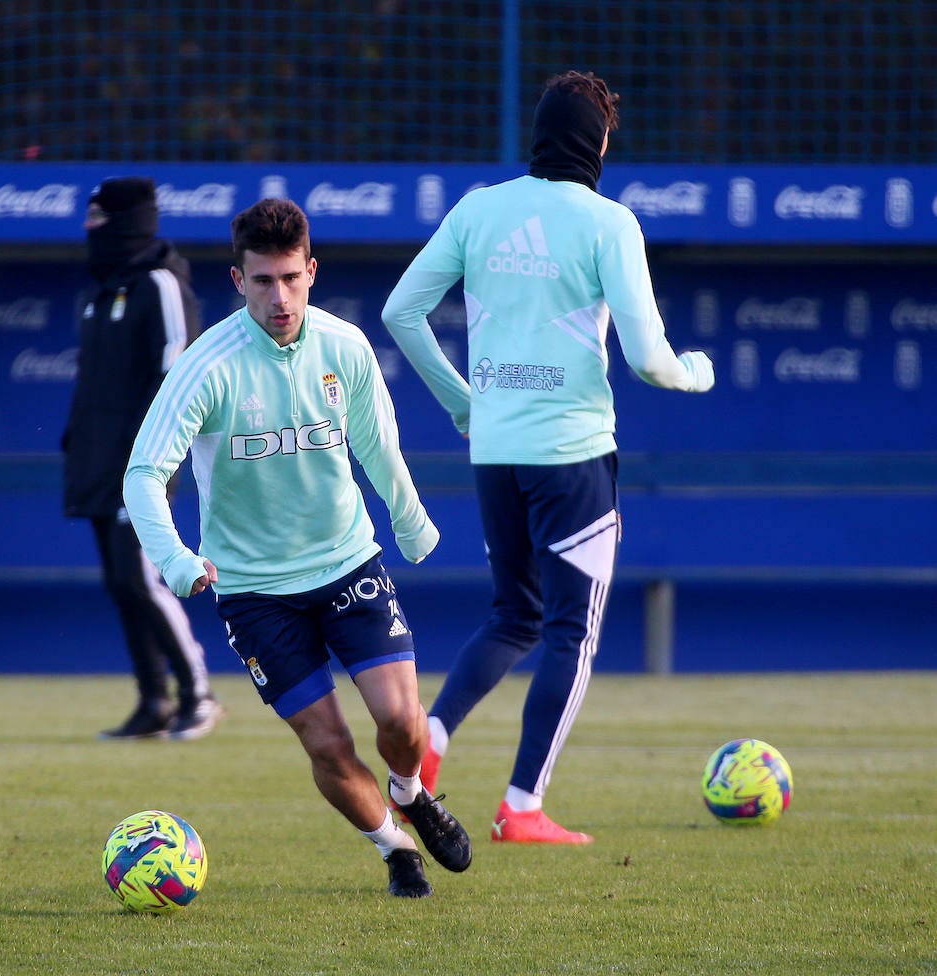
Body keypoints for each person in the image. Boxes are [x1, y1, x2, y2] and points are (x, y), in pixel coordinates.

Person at [381, 70, 715, 844]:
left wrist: (465, 403)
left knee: (514, 613)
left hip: (495, 451)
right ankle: (522, 806)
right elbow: (649, 360)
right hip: (571, 455)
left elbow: (402, 311)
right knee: (570, 630)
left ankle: (429, 744)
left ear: (537, 134)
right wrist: (695, 372)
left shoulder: (479, 209)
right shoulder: (609, 223)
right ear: (599, 142)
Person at [123, 197, 471, 897]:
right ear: (237, 280)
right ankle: (392, 847)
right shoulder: (206, 365)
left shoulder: (345, 347)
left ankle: (410, 791)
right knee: (329, 744)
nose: (278, 297)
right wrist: (177, 559)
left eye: (289, 278)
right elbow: (142, 475)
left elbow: (378, 445)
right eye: (262, 281)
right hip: (254, 594)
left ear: (311, 272)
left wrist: (410, 520)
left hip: (347, 563)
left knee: (403, 723)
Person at [62, 176, 220, 741]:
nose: (89, 229)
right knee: (119, 582)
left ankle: (196, 694)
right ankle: (154, 701)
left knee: (142, 578)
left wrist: (154, 458)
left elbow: (175, 375)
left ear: (128, 221)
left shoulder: (160, 283)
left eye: (99, 218)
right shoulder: (100, 292)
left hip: (146, 464)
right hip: (98, 460)